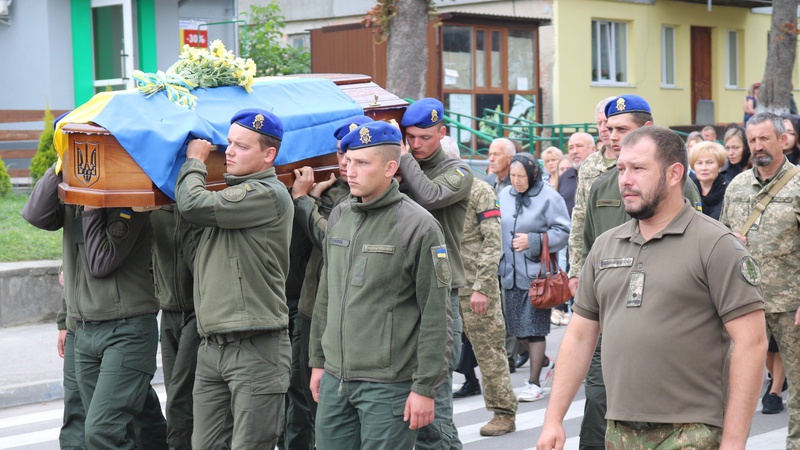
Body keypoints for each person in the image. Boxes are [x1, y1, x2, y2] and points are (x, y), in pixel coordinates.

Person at [538, 126, 767, 450]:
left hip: (692, 431)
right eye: (621, 169)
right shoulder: (606, 246)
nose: (625, 180)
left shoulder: (716, 244)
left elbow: (752, 343)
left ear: (674, 174)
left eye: (639, 169)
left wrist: (733, 441)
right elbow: (579, 335)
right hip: (619, 429)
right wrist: (553, 419)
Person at [308, 120, 453, 450]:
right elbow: (326, 295)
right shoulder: (340, 214)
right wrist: (318, 362)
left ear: (390, 167)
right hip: (335, 379)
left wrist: (425, 387)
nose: (350, 170)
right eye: (349, 161)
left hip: (388, 386)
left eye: (362, 163)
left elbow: (436, 315)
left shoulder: (419, 226)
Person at [23, 164, 167, 449]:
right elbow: (36, 214)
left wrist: (91, 207)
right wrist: (58, 167)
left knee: (104, 430)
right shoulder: (73, 193)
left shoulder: (127, 196)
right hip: (85, 327)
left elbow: (101, 262)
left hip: (126, 327)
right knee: (94, 425)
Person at [175, 108, 293, 449]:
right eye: (228, 143)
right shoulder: (225, 198)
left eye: (241, 146)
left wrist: (195, 161)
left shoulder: (266, 193)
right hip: (212, 346)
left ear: (269, 154)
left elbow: (193, 204)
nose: (228, 152)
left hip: (256, 347)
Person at [287, 114, 372, 449]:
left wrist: (305, 201)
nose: (346, 163)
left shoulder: (363, 197)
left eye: (354, 157)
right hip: (311, 305)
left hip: (351, 314)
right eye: (341, 155)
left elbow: (334, 242)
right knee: (300, 390)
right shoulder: (329, 190)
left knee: (334, 402)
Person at [720, 111, 800, 448]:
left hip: (789, 303)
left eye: (764, 138)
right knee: (731, 382)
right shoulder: (737, 185)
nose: (757, 146)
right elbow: (720, 236)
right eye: (752, 140)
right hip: (743, 302)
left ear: (783, 140)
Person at [400, 97, 473, 450]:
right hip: (403, 288)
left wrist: (399, 158)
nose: (415, 145)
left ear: (442, 133)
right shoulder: (403, 168)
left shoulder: (458, 171)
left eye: (424, 137)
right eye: (409, 137)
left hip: (442, 291)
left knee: (436, 406)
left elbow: (429, 196)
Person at [441, 138, 518, 436]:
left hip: (474, 286)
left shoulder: (480, 190)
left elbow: (493, 242)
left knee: (489, 352)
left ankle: (503, 412)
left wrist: (482, 287)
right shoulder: (433, 192)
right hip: (443, 286)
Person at [498, 152, 570, 402]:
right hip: (509, 273)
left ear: (533, 175)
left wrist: (533, 241)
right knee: (517, 330)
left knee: (535, 329)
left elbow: (563, 231)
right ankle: (544, 362)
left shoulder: (550, 197)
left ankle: (534, 382)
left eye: (521, 176)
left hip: (537, 276)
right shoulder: (504, 195)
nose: (516, 181)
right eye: (513, 175)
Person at [151, 205, 201, 450]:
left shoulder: (200, 202)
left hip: (199, 313)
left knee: (180, 397)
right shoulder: (153, 207)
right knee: (174, 392)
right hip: (168, 311)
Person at [485, 137, 529, 372]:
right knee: (500, 309)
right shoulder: (489, 182)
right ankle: (529, 351)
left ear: (510, 159)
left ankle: (511, 356)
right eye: (489, 153)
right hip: (493, 253)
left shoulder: (519, 185)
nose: (490, 158)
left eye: (496, 154)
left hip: (516, 255)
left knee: (510, 309)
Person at [688, 141, 728, 220]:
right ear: (693, 166)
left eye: (709, 163)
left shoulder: (729, 190)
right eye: (699, 163)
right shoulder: (688, 190)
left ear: (719, 166)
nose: (704, 168)